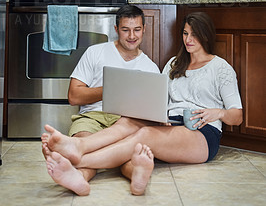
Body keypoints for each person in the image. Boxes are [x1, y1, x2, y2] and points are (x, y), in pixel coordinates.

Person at [42, 12, 243, 196]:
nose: (188, 40)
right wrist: (158, 116)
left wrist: (217, 113)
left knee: (144, 136)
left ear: (206, 36)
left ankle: (77, 160)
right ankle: (79, 146)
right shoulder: (175, 63)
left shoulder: (220, 68)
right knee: (128, 121)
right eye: (185, 33)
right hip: (172, 121)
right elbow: (159, 99)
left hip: (203, 130)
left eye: (195, 35)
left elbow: (237, 116)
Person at [42, 4, 160, 188]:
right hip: (91, 117)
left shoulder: (151, 68)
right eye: (125, 30)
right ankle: (80, 179)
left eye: (137, 30)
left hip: (125, 121)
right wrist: (111, 89)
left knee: (126, 154)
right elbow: (74, 96)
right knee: (85, 143)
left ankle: (137, 174)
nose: (132, 36)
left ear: (144, 29)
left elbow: (153, 111)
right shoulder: (95, 52)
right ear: (116, 29)